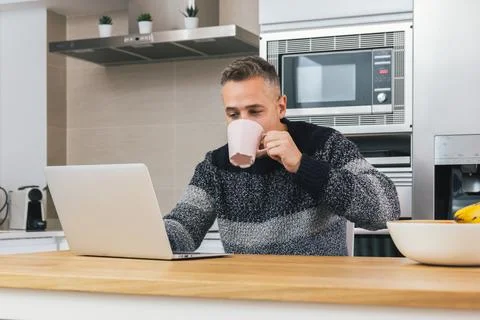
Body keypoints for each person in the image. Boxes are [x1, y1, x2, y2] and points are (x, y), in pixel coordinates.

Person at [164, 56, 400, 256]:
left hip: (320, 296)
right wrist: (145, 233)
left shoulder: (324, 144)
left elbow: (385, 211)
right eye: (233, 114)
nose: (243, 122)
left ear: (281, 107)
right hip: (250, 296)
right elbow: (183, 227)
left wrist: (303, 165)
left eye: (255, 111)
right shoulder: (216, 166)